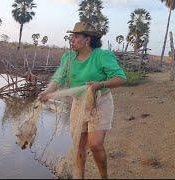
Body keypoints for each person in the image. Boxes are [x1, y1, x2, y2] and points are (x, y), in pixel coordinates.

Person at [38, 21, 127, 179]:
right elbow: (58, 79)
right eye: (72, 36)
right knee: (79, 145)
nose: (72, 39)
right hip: (78, 104)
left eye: (76, 36)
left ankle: (104, 177)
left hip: (100, 102)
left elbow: (121, 78)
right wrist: (47, 92)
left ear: (88, 40)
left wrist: (100, 84)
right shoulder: (69, 57)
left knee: (95, 145)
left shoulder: (101, 56)